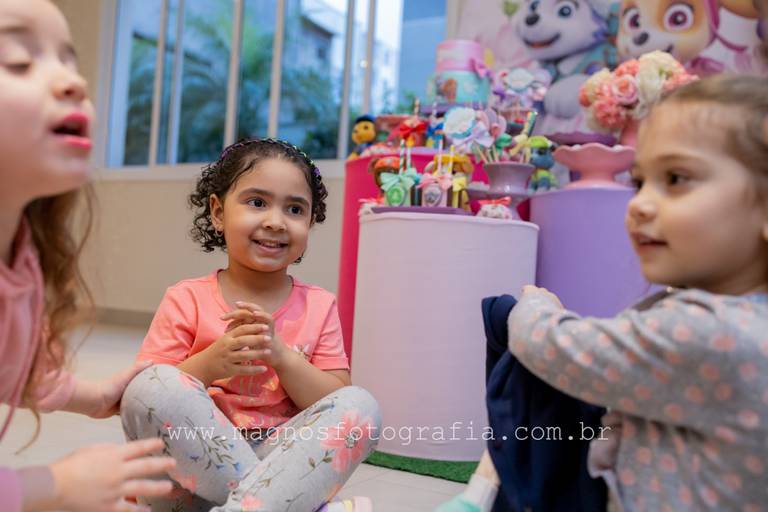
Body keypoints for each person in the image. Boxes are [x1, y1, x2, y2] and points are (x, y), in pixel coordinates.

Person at [440, 74, 768, 511]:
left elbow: (555, 347)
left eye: (676, 178)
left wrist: (535, 307)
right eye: (640, 182)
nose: (640, 204)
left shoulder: (712, 332)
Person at [121, 138, 380, 511]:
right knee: (148, 383)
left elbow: (334, 398)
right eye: (257, 203)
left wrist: (282, 357)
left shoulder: (319, 305)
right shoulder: (185, 298)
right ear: (218, 213)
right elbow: (147, 399)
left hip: (281, 463)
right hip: (185, 481)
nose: (275, 221)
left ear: (310, 223)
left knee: (361, 405)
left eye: (294, 209)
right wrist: (212, 363)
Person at [0, 1, 177, 510]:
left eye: (68, 60)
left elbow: (14, 369)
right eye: (18, 60)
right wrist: (52, 485)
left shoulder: (22, 256)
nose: (73, 83)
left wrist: (94, 397)